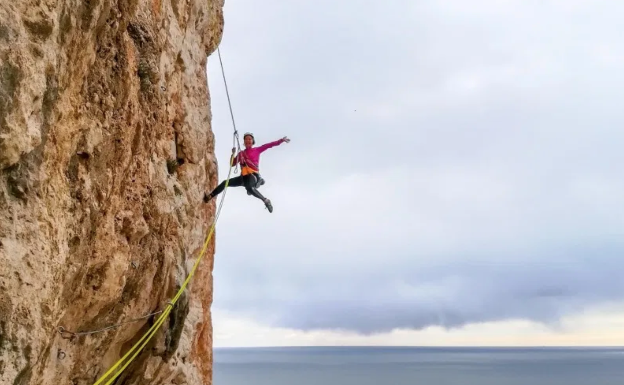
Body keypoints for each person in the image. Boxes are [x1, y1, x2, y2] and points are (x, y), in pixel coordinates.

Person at [203, 132, 290, 213]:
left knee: (249, 188)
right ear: (244, 142)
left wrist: (281, 140)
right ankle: (210, 196)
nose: (248, 140)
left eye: (250, 139)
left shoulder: (257, 150)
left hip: (253, 175)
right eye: (246, 139)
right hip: (243, 178)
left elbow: (269, 145)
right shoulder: (241, 153)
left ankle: (265, 200)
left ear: (252, 142)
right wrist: (232, 154)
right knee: (225, 182)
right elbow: (232, 164)